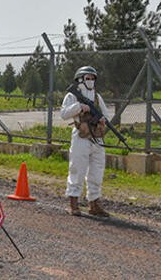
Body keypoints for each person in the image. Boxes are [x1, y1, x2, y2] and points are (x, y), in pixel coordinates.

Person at [60, 66, 110, 217]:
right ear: (80, 79)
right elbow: (64, 114)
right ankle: (73, 203)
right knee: (77, 169)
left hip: (97, 137)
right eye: (88, 78)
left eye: (93, 78)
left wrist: (102, 119)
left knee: (97, 170)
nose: (91, 81)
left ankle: (94, 203)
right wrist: (79, 107)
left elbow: (105, 114)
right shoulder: (72, 95)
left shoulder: (97, 97)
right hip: (81, 136)